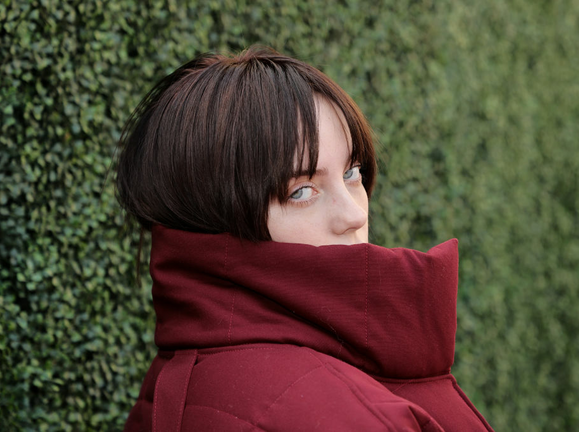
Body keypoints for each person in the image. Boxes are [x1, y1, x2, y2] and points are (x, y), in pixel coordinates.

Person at [116, 45, 493, 431]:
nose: (355, 214)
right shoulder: (323, 413)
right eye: (300, 191)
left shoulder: (187, 375)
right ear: (214, 220)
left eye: (352, 173)